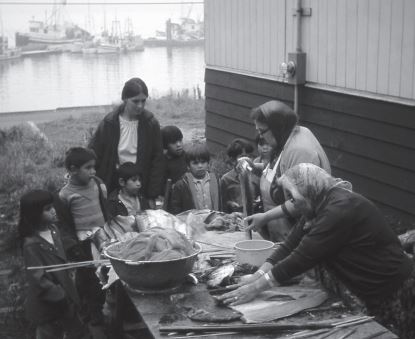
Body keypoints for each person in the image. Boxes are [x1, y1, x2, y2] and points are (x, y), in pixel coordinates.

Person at [218, 163, 415, 339]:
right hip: (371, 286)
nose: (291, 204)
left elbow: (301, 257)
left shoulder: (337, 211)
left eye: (293, 198)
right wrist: (258, 274)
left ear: (307, 192)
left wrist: (255, 288)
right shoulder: (318, 202)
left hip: (394, 286)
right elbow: (290, 244)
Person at [241, 100, 330, 242]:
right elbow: (281, 170)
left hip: (302, 235)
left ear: (277, 127)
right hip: (282, 233)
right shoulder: (286, 138)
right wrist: (255, 168)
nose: (260, 137)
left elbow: (302, 201)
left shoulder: (300, 150)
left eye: (262, 131)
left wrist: (265, 217)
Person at [19, 190, 86, 339]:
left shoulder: (53, 230)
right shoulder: (32, 244)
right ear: (34, 214)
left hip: (66, 298)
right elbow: (38, 280)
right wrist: (61, 295)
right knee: (49, 334)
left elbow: (59, 258)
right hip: (49, 304)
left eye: (53, 206)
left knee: (73, 331)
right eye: (48, 209)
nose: (54, 211)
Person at [88, 77, 164, 210]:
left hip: (141, 184)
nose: (140, 105)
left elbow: (157, 160)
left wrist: (153, 194)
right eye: (135, 101)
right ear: (124, 99)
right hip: (114, 182)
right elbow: (95, 152)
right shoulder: (110, 123)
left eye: (143, 101)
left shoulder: (150, 124)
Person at [57, 147, 108, 338]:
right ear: (73, 169)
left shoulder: (96, 184)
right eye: (88, 168)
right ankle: (90, 314)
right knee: (88, 279)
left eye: (94, 167)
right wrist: (73, 247)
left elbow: (103, 205)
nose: (93, 172)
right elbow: (64, 224)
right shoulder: (64, 195)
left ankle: (103, 308)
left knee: (105, 275)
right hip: (83, 243)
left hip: (102, 237)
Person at [170, 143, 221, 214]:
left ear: (208, 163)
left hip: (214, 220)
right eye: (195, 163)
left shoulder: (217, 181)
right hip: (191, 222)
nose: (200, 166)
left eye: (203, 162)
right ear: (188, 166)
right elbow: (176, 208)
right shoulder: (182, 185)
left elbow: (222, 203)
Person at [220, 138, 256, 213]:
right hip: (238, 217)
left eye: (249, 156)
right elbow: (223, 202)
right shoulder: (226, 179)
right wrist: (230, 203)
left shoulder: (255, 176)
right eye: (242, 156)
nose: (246, 159)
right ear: (233, 160)